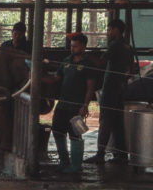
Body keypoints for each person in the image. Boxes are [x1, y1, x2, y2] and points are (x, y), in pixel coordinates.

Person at [85, 19, 134, 164]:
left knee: (105, 121)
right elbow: (131, 70)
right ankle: (122, 155)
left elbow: (101, 63)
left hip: (110, 88)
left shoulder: (115, 45)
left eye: (109, 29)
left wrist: (87, 55)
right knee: (118, 123)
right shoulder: (127, 46)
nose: (108, 32)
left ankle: (100, 154)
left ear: (116, 30)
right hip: (120, 89)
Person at [51, 33, 99, 174]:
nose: (72, 49)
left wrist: (85, 106)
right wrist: (39, 77)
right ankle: (63, 161)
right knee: (57, 131)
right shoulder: (66, 61)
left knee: (75, 134)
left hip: (76, 106)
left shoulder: (88, 64)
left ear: (83, 47)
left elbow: (90, 87)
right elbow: (56, 78)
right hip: (62, 104)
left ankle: (76, 165)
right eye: (71, 46)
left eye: (75, 46)